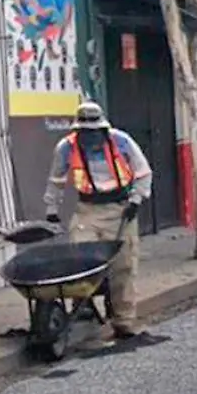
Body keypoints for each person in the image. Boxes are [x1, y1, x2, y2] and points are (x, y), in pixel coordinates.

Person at [44, 101, 154, 341]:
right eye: (85, 132)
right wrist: (52, 209)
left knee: (123, 265)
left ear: (103, 128)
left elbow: (143, 172)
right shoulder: (66, 147)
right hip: (88, 209)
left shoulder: (122, 142)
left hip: (120, 208)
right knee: (80, 257)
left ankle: (123, 320)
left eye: (94, 131)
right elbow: (56, 179)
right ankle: (83, 305)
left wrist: (136, 200)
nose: (90, 136)